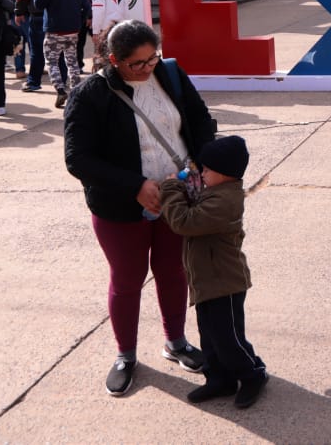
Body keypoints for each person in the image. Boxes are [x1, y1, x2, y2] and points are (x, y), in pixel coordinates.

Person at [64, 19, 216, 397]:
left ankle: (176, 342)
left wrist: (201, 162)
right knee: (127, 280)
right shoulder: (89, 95)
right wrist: (134, 186)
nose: (148, 68)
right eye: (137, 64)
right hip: (120, 206)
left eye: (153, 58)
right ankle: (126, 355)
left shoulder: (171, 74)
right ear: (113, 60)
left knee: (173, 272)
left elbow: (200, 120)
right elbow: (78, 159)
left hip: (177, 198)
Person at [159, 135, 268, 409]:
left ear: (223, 173)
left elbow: (184, 221)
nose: (202, 174)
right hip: (206, 281)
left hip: (225, 283)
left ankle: (253, 374)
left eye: (206, 170)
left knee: (228, 338)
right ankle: (220, 379)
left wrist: (171, 188)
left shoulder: (226, 202)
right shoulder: (215, 191)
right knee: (209, 336)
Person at [34, 0, 91, 109]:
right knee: (72, 61)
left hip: (54, 30)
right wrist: (80, 20)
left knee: (52, 61)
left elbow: (38, 5)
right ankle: (77, 90)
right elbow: (87, 6)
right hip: (73, 30)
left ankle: (60, 89)